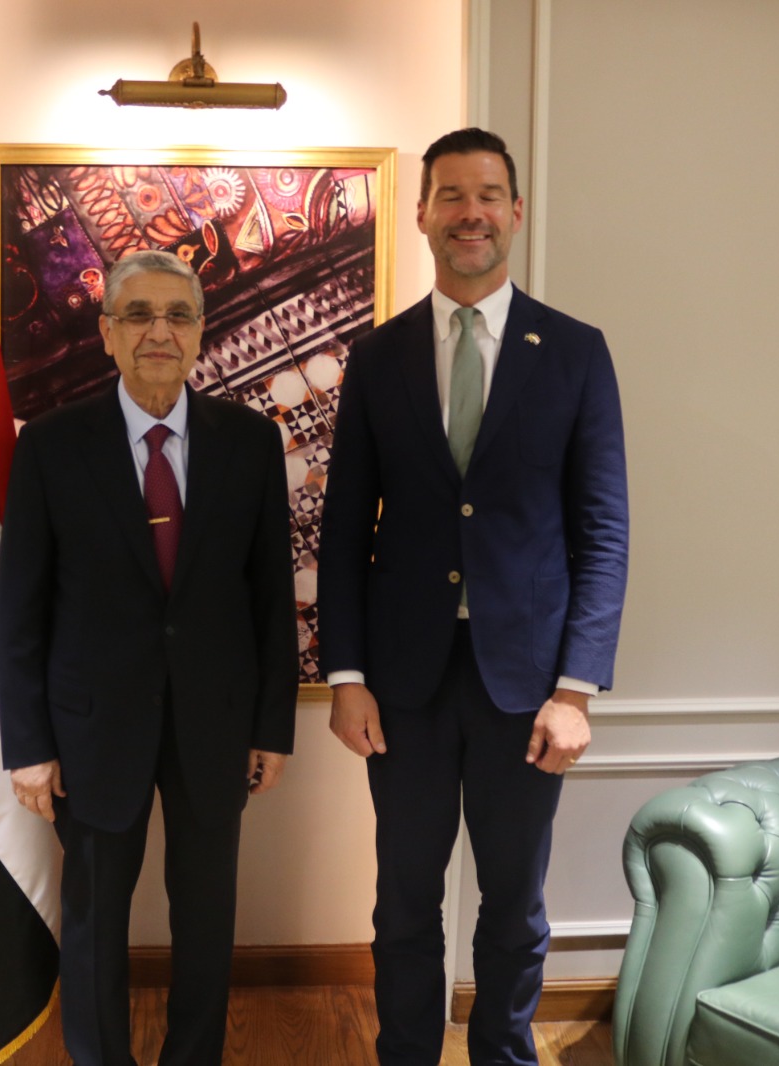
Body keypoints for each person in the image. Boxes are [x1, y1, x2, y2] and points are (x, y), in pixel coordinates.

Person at [318, 128, 628, 1065]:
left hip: (527, 688)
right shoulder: (378, 358)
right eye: (450, 195)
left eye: (488, 195)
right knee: (404, 902)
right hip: (401, 684)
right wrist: (346, 676)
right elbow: (343, 529)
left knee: (514, 905)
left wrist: (577, 690)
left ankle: (503, 1057)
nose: (470, 214)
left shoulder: (574, 352)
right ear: (420, 214)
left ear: (516, 212)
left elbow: (603, 532)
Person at [0, 249, 298, 1066]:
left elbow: (271, 596)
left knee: (207, 915)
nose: (158, 331)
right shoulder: (51, 447)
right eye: (137, 314)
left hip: (216, 722)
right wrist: (27, 745)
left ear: (200, 332)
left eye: (177, 315)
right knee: (94, 920)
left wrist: (272, 727)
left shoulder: (250, 442)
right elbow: (20, 609)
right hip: (90, 729)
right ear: (106, 333)